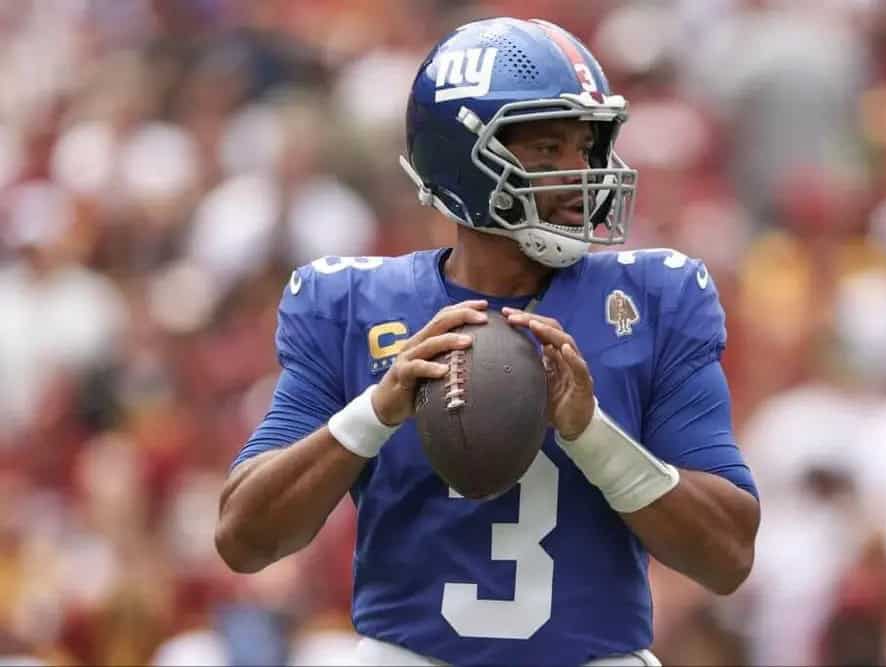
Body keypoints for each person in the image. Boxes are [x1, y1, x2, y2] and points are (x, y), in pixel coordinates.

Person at [215, 17, 760, 666]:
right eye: (548, 148)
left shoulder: (655, 298)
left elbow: (728, 555)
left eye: (587, 147)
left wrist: (593, 435)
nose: (580, 172)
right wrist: (376, 409)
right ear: (460, 156)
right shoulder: (352, 306)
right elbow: (243, 538)